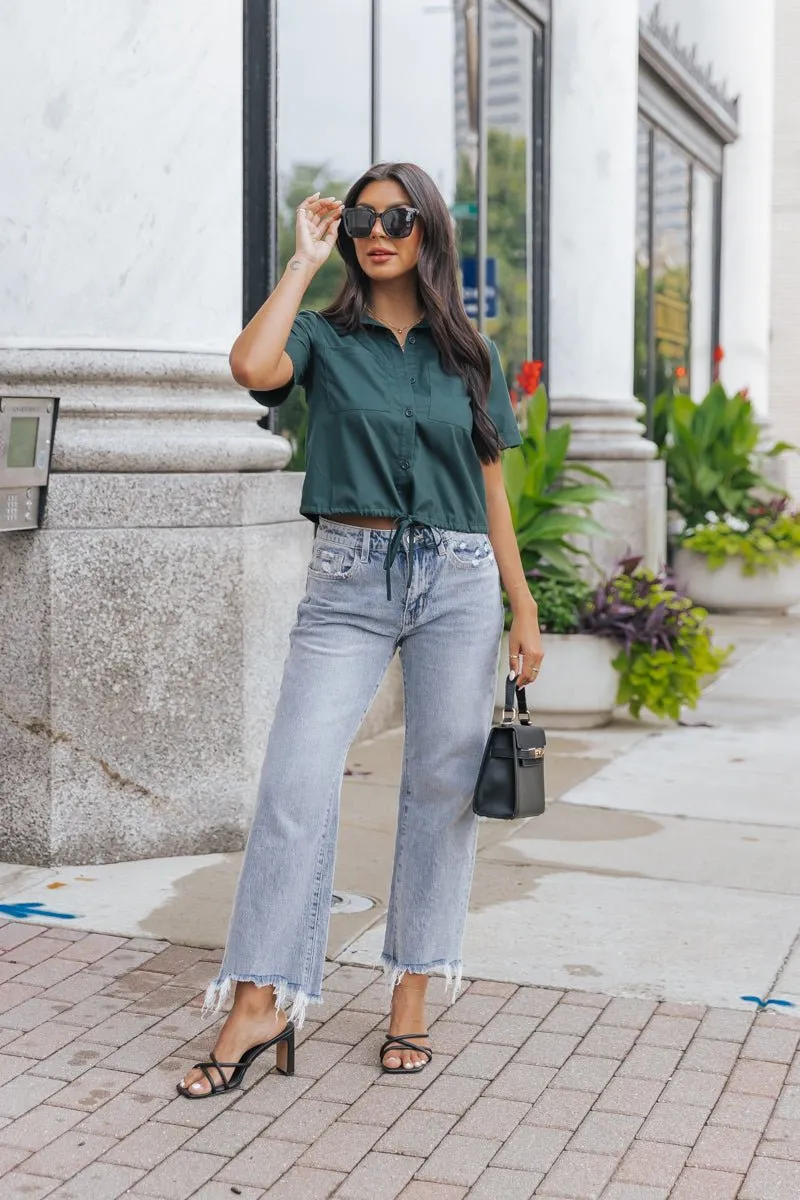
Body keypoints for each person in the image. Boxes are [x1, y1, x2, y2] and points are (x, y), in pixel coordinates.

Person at [177, 161, 543, 1098]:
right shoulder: (322, 336)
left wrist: (523, 602)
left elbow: (491, 484)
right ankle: (260, 1003)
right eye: (363, 219)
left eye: (399, 216)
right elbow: (251, 368)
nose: (379, 231)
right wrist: (300, 260)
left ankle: (412, 991)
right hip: (346, 577)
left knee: (439, 787)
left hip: (459, 581)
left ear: (429, 233)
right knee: (296, 782)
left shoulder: (470, 352)